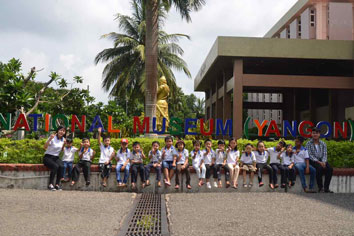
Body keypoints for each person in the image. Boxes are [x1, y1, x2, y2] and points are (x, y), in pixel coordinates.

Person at [306, 127, 334, 193]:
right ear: (311, 134)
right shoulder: (308, 143)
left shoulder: (323, 143)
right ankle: (320, 188)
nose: (315, 134)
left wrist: (324, 162)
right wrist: (319, 162)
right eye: (313, 133)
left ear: (319, 134)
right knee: (319, 168)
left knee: (330, 169)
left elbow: (325, 154)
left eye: (317, 133)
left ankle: (326, 188)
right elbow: (309, 155)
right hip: (313, 161)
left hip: (322, 160)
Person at [43, 126, 66, 191]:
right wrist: (50, 139)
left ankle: (57, 185)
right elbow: (44, 147)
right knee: (55, 166)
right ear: (57, 131)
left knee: (62, 166)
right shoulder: (52, 137)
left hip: (56, 157)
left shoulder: (63, 139)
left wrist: (64, 144)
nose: (62, 132)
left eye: (63, 131)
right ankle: (50, 184)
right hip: (48, 157)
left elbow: (61, 149)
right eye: (60, 130)